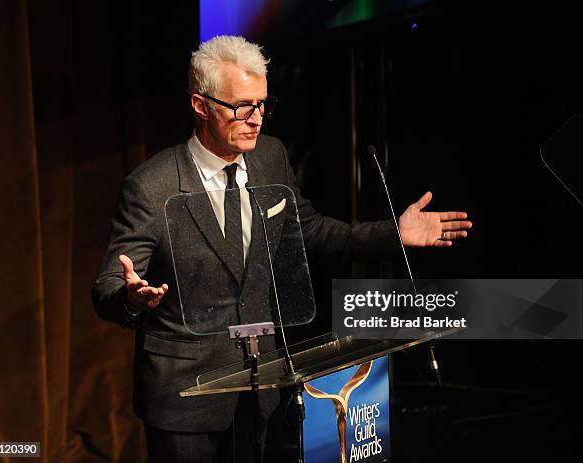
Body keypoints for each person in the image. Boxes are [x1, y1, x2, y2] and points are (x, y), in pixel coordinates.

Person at [91, 35, 472, 463]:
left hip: (261, 386)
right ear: (200, 105)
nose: (255, 119)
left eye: (262, 105)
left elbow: (309, 230)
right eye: (241, 106)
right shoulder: (152, 186)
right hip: (185, 396)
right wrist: (132, 297)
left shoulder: (269, 157)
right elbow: (108, 285)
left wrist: (392, 234)